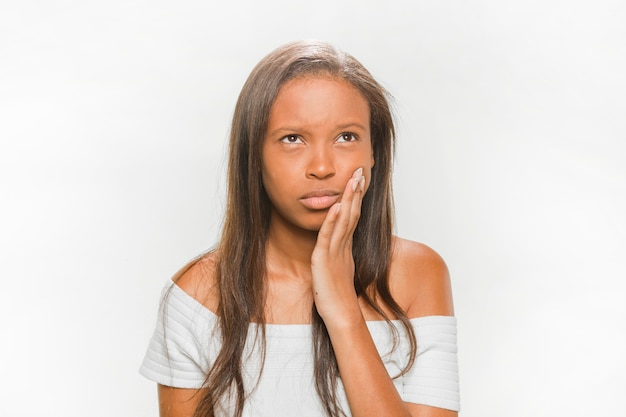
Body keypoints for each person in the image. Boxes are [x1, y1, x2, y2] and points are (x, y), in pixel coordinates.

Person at [140, 40, 460, 417]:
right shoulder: (198, 298)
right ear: (254, 155)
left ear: (374, 151)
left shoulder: (417, 274)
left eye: (346, 137)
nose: (322, 167)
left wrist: (342, 311)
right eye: (292, 139)